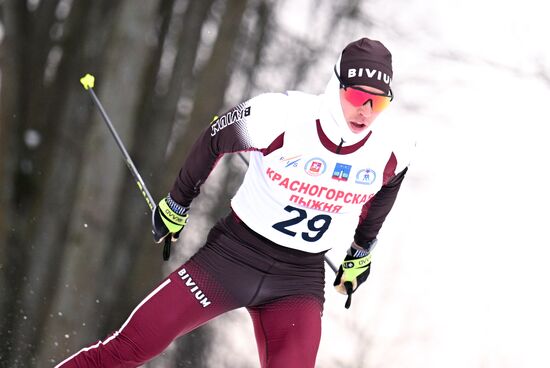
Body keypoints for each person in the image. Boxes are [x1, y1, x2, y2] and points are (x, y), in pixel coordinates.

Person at [56, 37, 411, 368]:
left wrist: (361, 250)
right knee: (132, 347)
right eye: (356, 97)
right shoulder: (281, 115)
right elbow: (215, 139)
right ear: (336, 88)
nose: (365, 111)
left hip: (298, 279)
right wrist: (178, 204)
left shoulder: (391, 149)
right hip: (232, 258)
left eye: (377, 102)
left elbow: (389, 186)